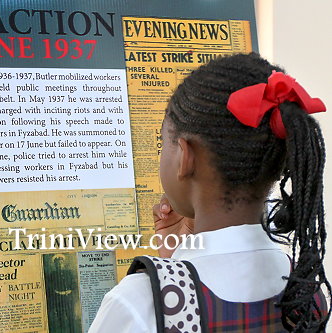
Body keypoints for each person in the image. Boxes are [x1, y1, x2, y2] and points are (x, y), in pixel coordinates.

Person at [89, 53, 330, 332]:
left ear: (185, 157)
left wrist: (168, 277)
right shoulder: (305, 291)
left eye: (163, 143)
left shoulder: (138, 302)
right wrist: (175, 262)